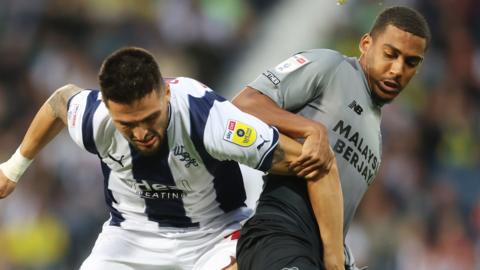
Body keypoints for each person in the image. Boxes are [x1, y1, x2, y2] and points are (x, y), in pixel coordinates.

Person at [0, 47, 343, 270]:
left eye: (150, 118)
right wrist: (14, 168)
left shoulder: (210, 120)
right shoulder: (94, 116)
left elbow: (318, 165)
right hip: (130, 237)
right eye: (127, 124)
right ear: (107, 106)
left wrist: (334, 261)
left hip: (213, 236)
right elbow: (60, 101)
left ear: (166, 92)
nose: (140, 133)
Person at [233, 6, 431, 270]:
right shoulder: (331, 67)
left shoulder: (376, 140)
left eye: (410, 62)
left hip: (316, 254)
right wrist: (311, 129)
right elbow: (243, 104)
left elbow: (334, 217)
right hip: (280, 231)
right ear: (366, 43)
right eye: (390, 54)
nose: (397, 69)